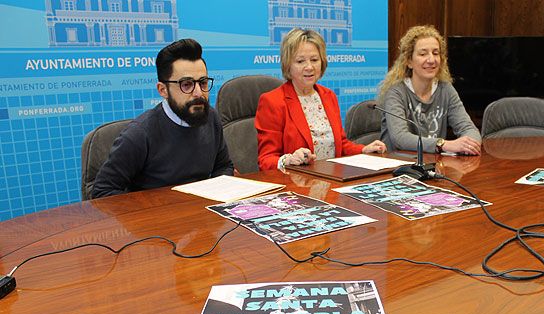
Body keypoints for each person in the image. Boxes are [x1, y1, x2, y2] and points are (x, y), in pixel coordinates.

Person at [92, 39, 233, 198]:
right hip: (156, 212)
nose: (199, 93)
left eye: (203, 83)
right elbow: (102, 192)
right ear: (163, 90)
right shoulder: (139, 134)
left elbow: (223, 166)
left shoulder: (211, 117)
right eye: (186, 85)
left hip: (202, 211)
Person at [255, 28, 386, 171]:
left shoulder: (328, 96)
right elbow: (265, 160)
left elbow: (341, 145)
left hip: (333, 178)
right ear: (288, 65)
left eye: (314, 60)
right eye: (300, 61)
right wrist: (289, 160)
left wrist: (363, 150)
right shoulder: (272, 101)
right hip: (297, 181)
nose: (309, 67)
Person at [378, 25, 481, 155]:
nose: (431, 60)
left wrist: (469, 144)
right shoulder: (396, 92)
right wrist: (443, 145)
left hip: (433, 163)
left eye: (436, 53)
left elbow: (469, 129)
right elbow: (400, 138)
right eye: (423, 54)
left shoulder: (446, 89)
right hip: (398, 164)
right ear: (409, 61)